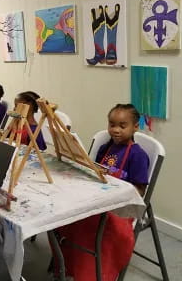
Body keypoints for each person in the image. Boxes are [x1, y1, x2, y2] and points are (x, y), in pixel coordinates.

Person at [52, 104, 149, 281]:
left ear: (135, 127)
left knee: (91, 227)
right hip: (99, 200)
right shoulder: (105, 148)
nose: (116, 130)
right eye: (112, 125)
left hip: (120, 208)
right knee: (65, 216)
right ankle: (69, 265)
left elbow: (139, 191)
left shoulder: (138, 156)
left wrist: (116, 191)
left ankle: (91, 274)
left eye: (122, 125)